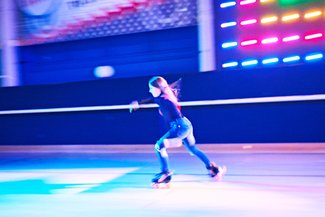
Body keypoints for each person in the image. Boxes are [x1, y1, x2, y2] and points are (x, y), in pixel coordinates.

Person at [129, 76, 226, 184]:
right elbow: (152, 99)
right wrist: (139, 103)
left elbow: (174, 115)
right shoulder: (162, 97)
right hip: (186, 124)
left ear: (158, 88)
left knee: (159, 146)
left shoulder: (166, 101)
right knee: (193, 149)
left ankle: (165, 173)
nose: (149, 90)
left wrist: (176, 140)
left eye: (151, 88)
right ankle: (214, 169)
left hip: (180, 127)